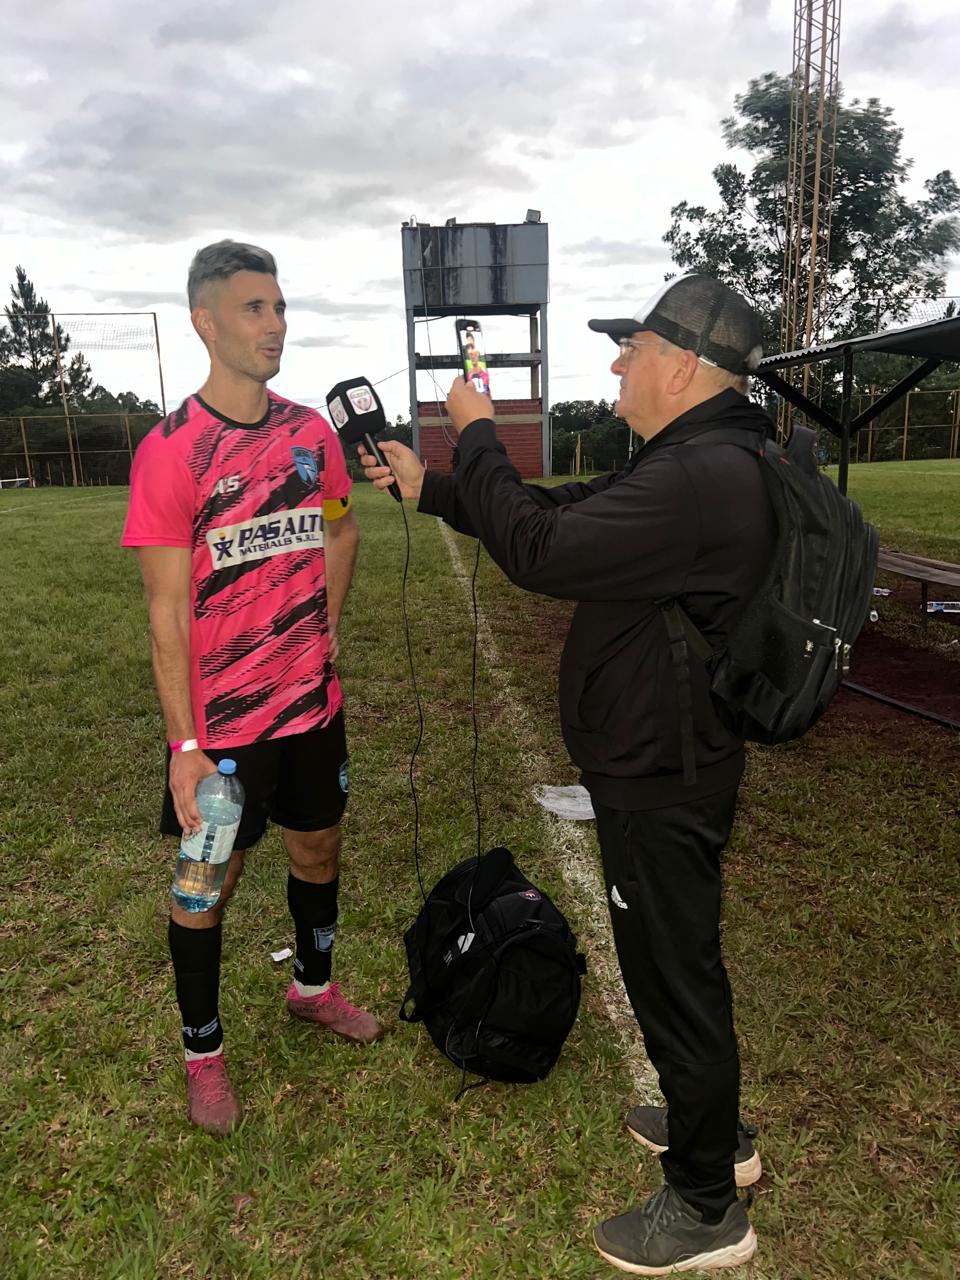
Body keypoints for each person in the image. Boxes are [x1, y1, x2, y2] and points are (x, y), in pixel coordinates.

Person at [360, 275, 775, 1274]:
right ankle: (712, 1130)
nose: (618, 364)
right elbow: (560, 514)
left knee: (672, 970)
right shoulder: (695, 460)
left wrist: (478, 431)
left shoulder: (700, 475)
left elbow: (539, 549)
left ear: (684, 366)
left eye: (635, 348)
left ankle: (707, 1206)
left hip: (662, 770)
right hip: (667, 754)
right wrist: (435, 487)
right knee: (675, 957)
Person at [122, 239, 382, 1137]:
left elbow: (340, 529)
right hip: (224, 725)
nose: (275, 325)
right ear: (206, 322)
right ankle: (204, 1054)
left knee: (319, 850)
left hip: (310, 706)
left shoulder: (312, 435)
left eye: (279, 308)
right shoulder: (171, 451)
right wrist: (184, 748)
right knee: (207, 883)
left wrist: (326, 625)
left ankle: (313, 988)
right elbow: (166, 612)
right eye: (253, 309)